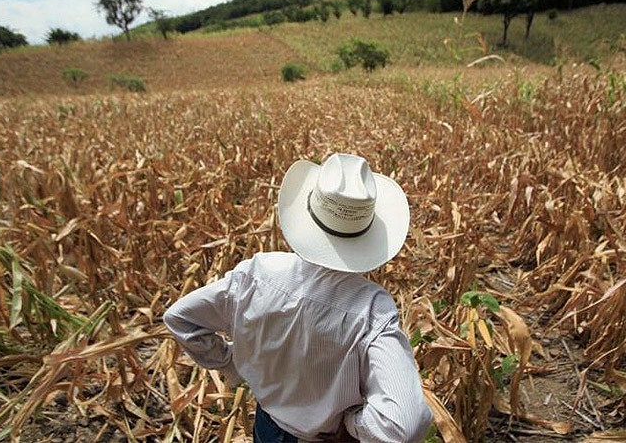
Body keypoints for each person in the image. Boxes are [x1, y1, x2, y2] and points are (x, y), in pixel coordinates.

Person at [163, 153, 432, 442]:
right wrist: (353, 423)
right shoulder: (370, 310)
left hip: (267, 428)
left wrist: (232, 363)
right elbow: (404, 425)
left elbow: (181, 319)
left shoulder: (256, 274)